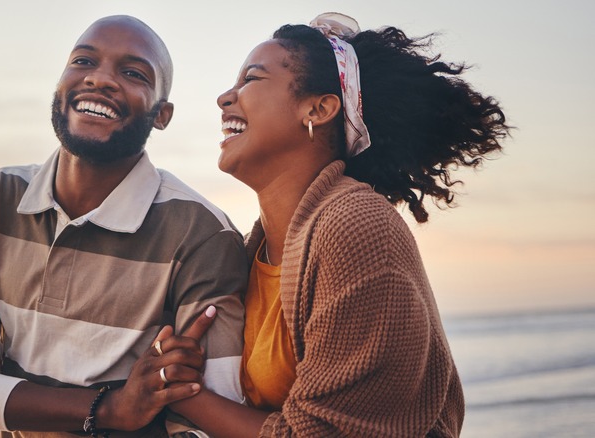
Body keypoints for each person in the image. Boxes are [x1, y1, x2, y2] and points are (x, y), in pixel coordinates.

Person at [163, 12, 510, 437]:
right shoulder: (254, 250)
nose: (225, 97)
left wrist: (184, 394)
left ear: (319, 108)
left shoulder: (355, 227)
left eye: (251, 79)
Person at [0, 15, 247, 437]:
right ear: (59, 85)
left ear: (161, 115)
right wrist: (109, 409)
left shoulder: (201, 232)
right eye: (83, 61)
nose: (100, 79)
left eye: (132, 73)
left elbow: (206, 422)